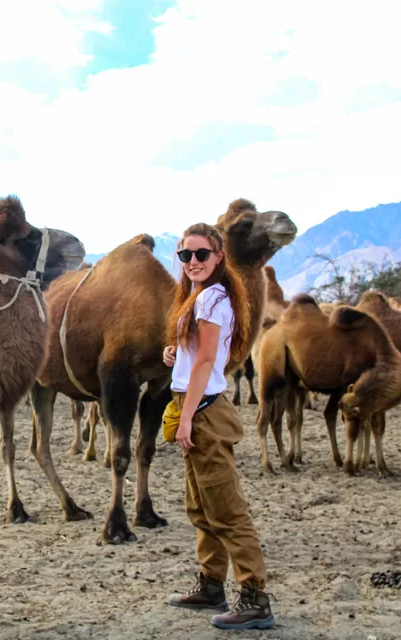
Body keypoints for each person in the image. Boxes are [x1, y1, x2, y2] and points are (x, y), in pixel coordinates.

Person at [161, 222, 274, 630]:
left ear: (219, 256)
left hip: (203, 411)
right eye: (185, 255)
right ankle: (211, 584)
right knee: (202, 506)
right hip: (195, 405)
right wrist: (176, 352)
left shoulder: (211, 297)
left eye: (201, 254)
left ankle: (255, 598)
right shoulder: (199, 296)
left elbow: (208, 361)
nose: (193, 261)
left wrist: (188, 417)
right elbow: (201, 355)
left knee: (226, 509)